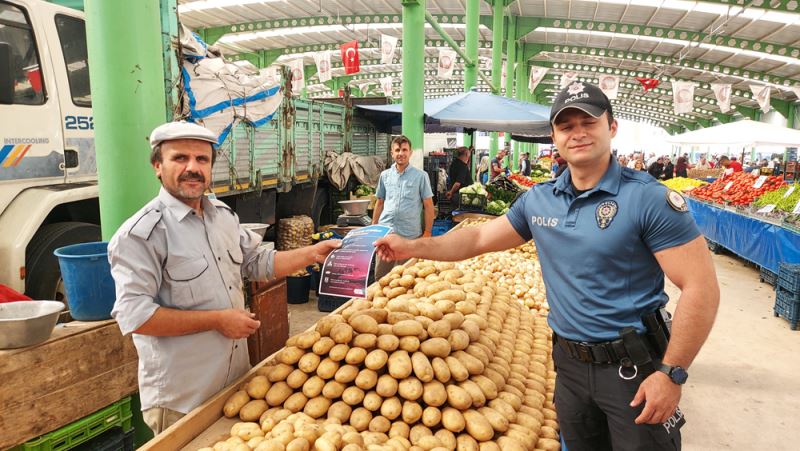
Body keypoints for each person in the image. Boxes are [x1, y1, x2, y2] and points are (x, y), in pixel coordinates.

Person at [374, 81, 719, 451]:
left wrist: (672, 373)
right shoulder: (539, 200)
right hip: (568, 369)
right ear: (554, 136)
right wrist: (413, 246)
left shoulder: (648, 198)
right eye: (566, 126)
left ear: (612, 127)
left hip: (631, 371)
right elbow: (475, 239)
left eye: (589, 122)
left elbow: (701, 287)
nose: (578, 133)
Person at [109, 121, 341, 435]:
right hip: (183, 399)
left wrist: (313, 253)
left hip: (236, 384)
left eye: (201, 160)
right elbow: (136, 316)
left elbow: (258, 261)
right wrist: (218, 320)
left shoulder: (222, 216)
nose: (192, 168)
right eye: (180, 158)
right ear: (157, 166)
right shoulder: (141, 235)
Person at [372, 135, 434, 279]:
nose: (401, 153)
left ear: (410, 153)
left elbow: (428, 206)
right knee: (381, 278)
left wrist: (427, 232)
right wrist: (374, 227)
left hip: (410, 237)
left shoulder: (421, 176)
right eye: (397, 150)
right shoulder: (385, 175)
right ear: (392, 153)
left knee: (407, 278)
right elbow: (380, 202)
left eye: (404, 150)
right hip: (386, 235)